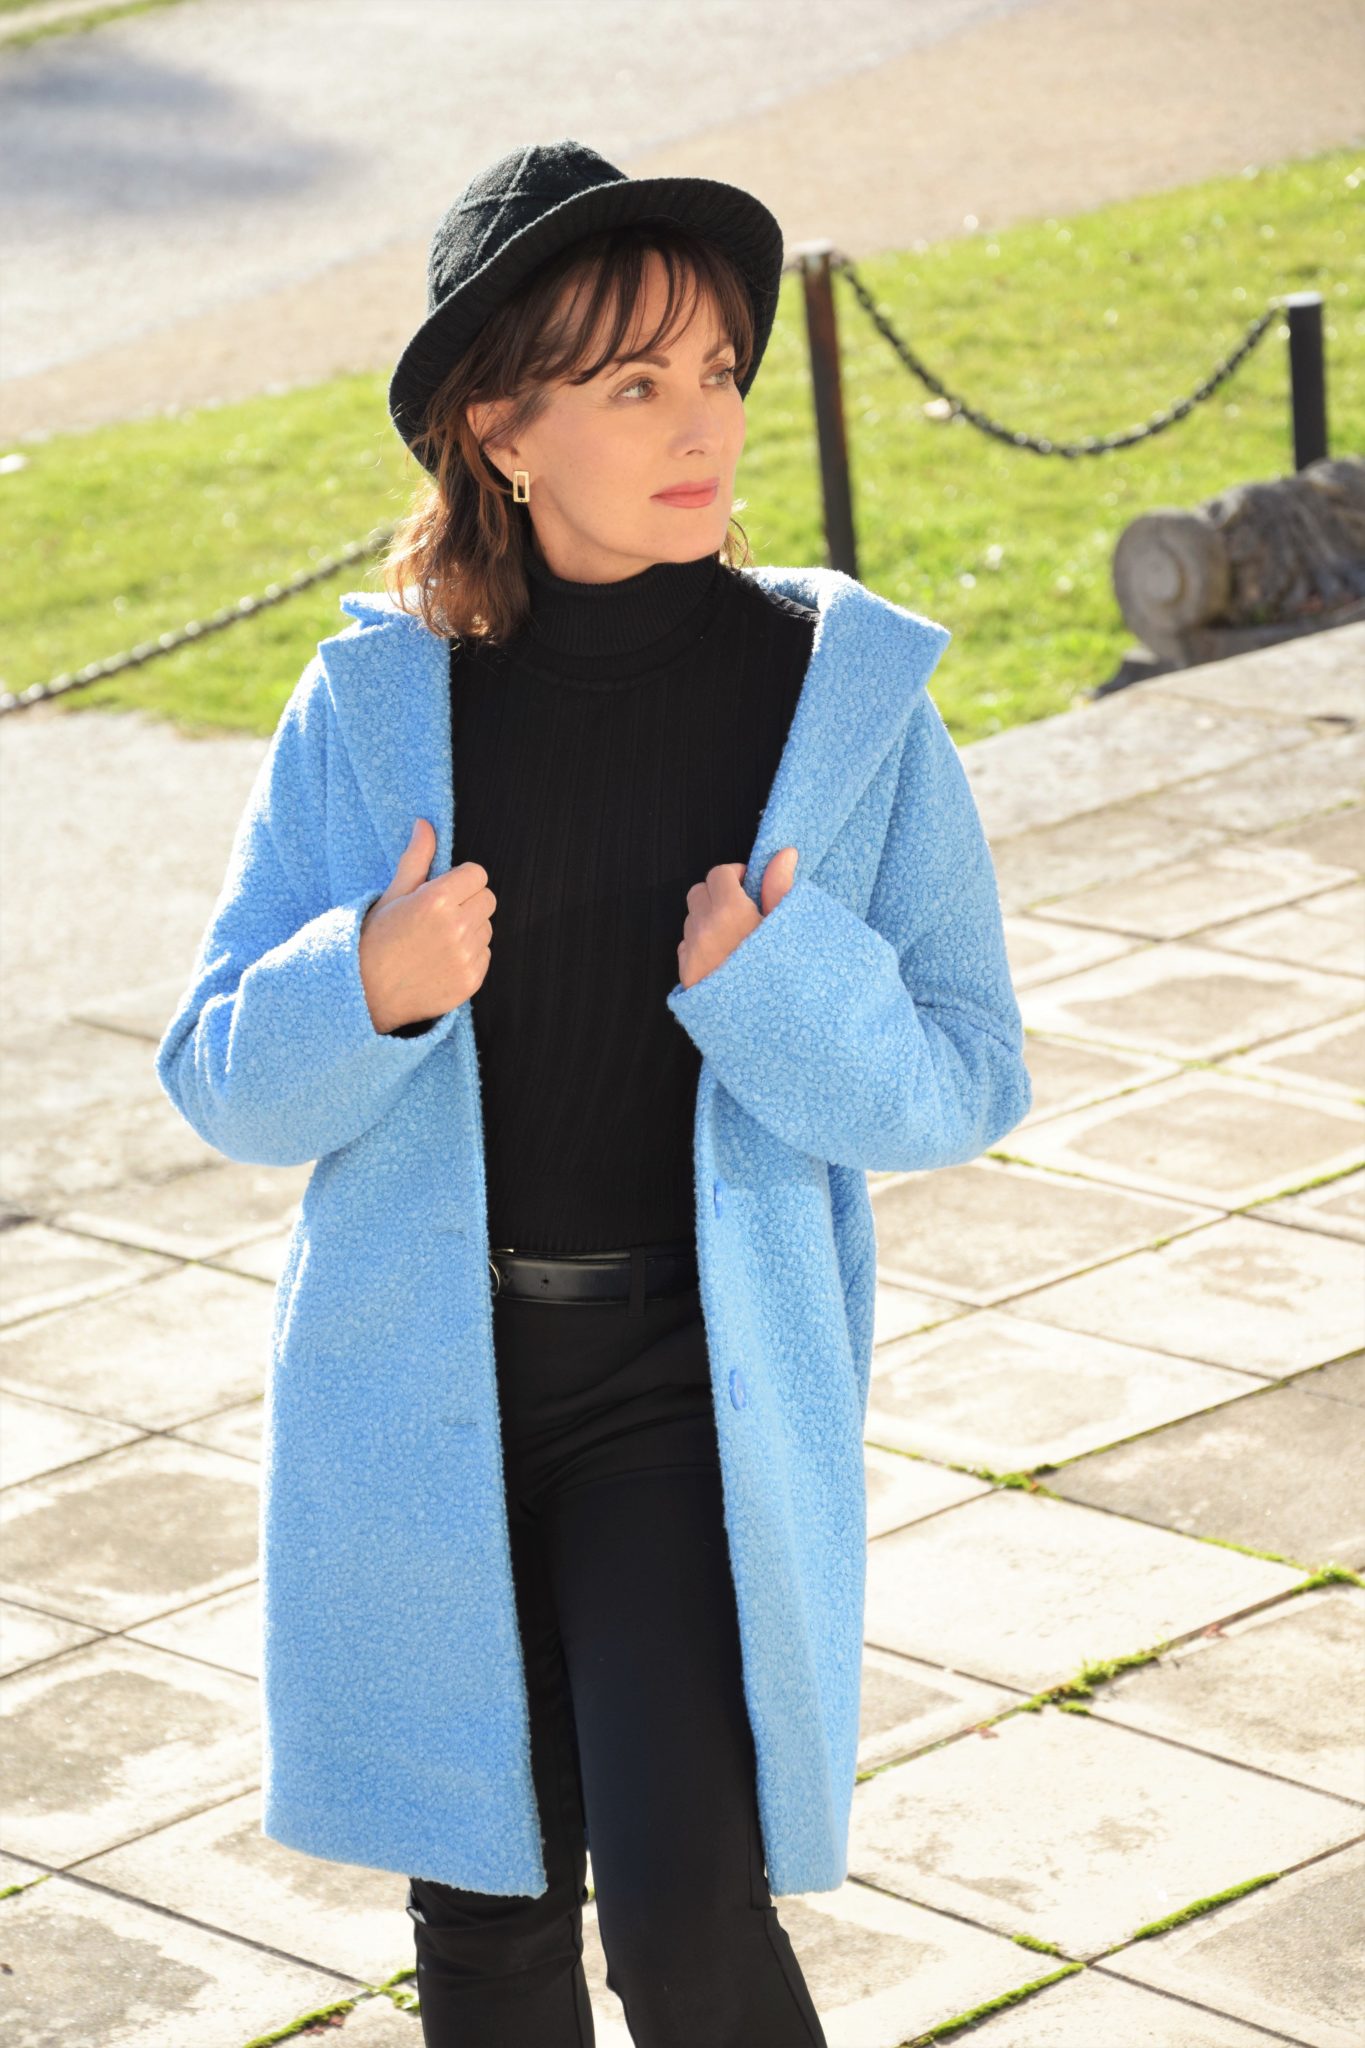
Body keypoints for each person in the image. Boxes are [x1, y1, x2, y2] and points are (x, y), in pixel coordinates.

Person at [154, 138, 1032, 2048]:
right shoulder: (374, 706)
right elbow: (217, 1076)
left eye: (716, 370)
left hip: (687, 1389)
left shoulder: (836, 701)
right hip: (422, 1384)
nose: (701, 423)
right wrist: (364, 988)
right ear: (500, 427)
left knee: (685, 1917)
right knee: (482, 1931)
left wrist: (778, 987)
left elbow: (967, 1076)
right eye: (633, 384)